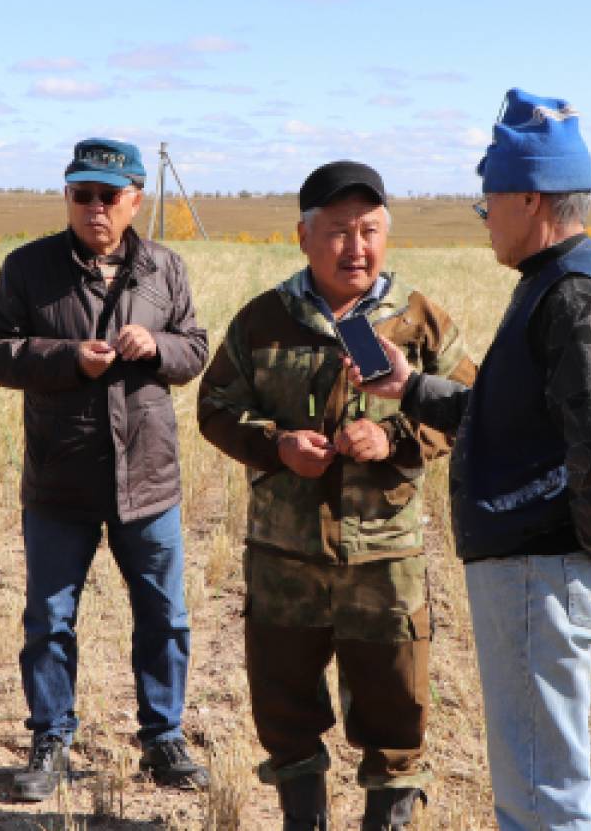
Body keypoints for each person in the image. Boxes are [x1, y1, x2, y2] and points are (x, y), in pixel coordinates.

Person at [348, 89, 591, 831]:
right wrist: (410, 387)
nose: (485, 217)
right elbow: (514, 425)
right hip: (539, 569)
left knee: (540, 796)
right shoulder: (561, 282)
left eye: (487, 200)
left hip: (538, 572)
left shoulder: (572, 297)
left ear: (531, 197)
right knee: (538, 780)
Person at [198, 160, 476, 831]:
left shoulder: (420, 321)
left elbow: (473, 411)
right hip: (284, 556)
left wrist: (397, 440)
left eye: (370, 230)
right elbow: (214, 406)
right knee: (284, 703)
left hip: (385, 557)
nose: (355, 246)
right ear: (303, 235)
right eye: (338, 231)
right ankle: (305, 817)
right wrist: (275, 444)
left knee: (396, 706)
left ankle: (388, 819)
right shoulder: (263, 319)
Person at [0, 138, 209, 801]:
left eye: (109, 196)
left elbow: (194, 349)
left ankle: (164, 737)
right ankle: (50, 737)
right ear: (67, 197)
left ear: (136, 198)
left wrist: (156, 345)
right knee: (49, 620)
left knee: (164, 616)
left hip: (149, 481)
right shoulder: (29, 268)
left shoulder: (165, 268)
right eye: (82, 195)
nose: (95, 208)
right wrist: (69, 358)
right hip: (60, 481)